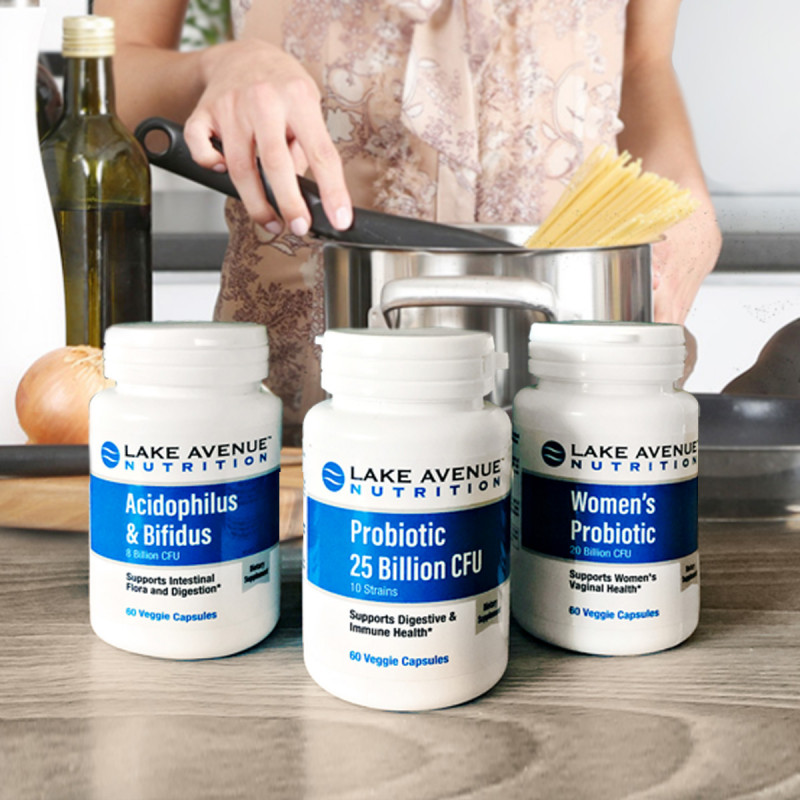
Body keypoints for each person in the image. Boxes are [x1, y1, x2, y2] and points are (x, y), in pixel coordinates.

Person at [94, 0, 722, 442]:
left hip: (575, 363)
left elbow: (645, 61)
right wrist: (222, 67)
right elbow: (110, 71)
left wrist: (685, 195)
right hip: (302, 366)